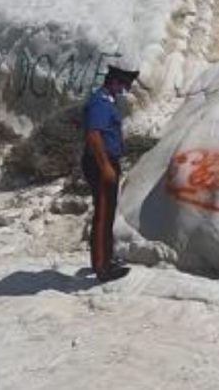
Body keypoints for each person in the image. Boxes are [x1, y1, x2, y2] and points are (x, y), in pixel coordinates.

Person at [81, 65, 139, 282]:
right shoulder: (100, 103)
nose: (126, 88)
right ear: (114, 82)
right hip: (99, 163)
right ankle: (102, 268)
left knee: (107, 212)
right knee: (103, 215)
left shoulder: (108, 101)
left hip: (106, 161)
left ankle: (106, 258)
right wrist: (105, 166)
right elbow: (94, 136)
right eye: (124, 84)